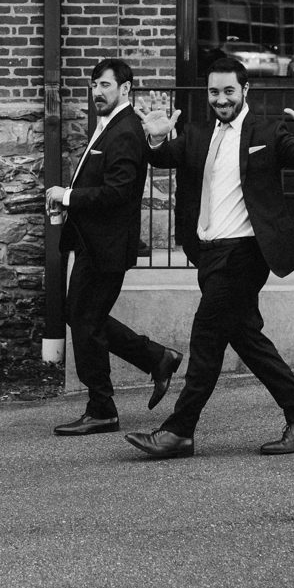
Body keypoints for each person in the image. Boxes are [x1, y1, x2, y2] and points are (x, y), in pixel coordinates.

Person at [126, 59, 294, 460]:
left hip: (245, 251)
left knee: (205, 340)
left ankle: (178, 431)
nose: (221, 100)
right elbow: (164, 157)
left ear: (245, 91)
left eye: (229, 92)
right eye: (214, 92)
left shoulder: (269, 131)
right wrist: (154, 140)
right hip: (210, 254)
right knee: (246, 339)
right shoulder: (199, 133)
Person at [43, 57, 182, 436]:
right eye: (94, 85)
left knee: (85, 320)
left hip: (107, 246)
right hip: (93, 243)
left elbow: (119, 192)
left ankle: (102, 408)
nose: (97, 92)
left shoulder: (124, 131)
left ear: (125, 89)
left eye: (105, 85)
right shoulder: (109, 126)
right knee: (84, 316)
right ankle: (158, 358)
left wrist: (68, 195)